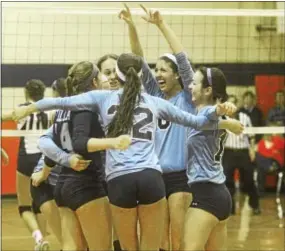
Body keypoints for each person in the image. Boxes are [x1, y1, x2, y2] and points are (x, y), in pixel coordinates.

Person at [9, 53, 238, 251]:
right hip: (151, 178)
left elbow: (61, 102)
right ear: (140, 76)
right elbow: (196, 121)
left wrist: (29, 108)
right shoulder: (153, 101)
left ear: (116, 76)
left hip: (119, 180)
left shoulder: (102, 97)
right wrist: (219, 113)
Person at [38, 61, 131, 251]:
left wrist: (46, 171)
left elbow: (53, 144)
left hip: (64, 184)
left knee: (73, 247)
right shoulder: (85, 107)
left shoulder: (64, 108)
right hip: (86, 183)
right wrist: (113, 142)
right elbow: (81, 143)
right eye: (101, 76)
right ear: (94, 83)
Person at [183, 68, 244, 250]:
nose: (190, 86)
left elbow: (210, 113)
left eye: (195, 83)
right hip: (219, 192)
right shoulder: (208, 117)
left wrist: (219, 108)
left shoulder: (207, 112)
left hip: (206, 194)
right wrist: (224, 115)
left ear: (208, 90)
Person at [15, 79, 51, 251]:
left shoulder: (21, 109)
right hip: (42, 158)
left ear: (26, 93)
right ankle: (43, 240)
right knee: (40, 202)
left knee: (24, 206)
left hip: (25, 159)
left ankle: (38, 239)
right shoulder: (49, 110)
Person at [223, 95, 260, 215]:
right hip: (228, 152)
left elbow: (252, 136)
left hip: (243, 152)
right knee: (227, 181)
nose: (231, 106)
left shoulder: (245, 117)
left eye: (234, 103)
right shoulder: (221, 118)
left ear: (237, 105)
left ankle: (255, 206)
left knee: (249, 180)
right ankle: (230, 208)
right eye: (229, 103)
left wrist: (252, 150)